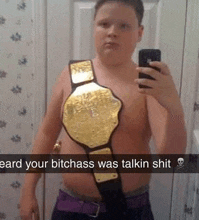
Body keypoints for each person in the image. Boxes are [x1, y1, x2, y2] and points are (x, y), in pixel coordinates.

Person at [20, 0, 187, 219]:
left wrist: (174, 108)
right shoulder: (70, 75)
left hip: (128, 211)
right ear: (94, 28)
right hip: (70, 208)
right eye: (104, 24)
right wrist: (28, 189)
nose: (112, 32)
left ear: (140, 32)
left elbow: (172, 161)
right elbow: (47, 133)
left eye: (124, 26)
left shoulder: (147, 85)